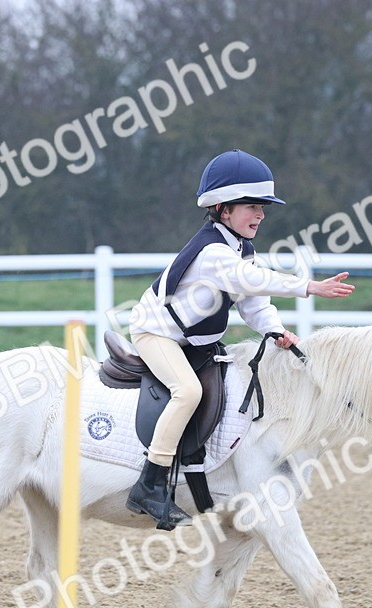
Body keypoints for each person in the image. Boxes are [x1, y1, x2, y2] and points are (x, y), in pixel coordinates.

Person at [125, 149, 356, 528]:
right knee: (188, 392)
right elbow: (253, 280)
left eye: (263, 207)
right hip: (156, 335)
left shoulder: (238, 248)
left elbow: (253, 301)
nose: (261, 215)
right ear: (222, 209)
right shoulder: (214, 253)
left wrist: (275, 330)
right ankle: (149, 484)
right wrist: (310, 286)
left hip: (195, 341)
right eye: (252, 206)